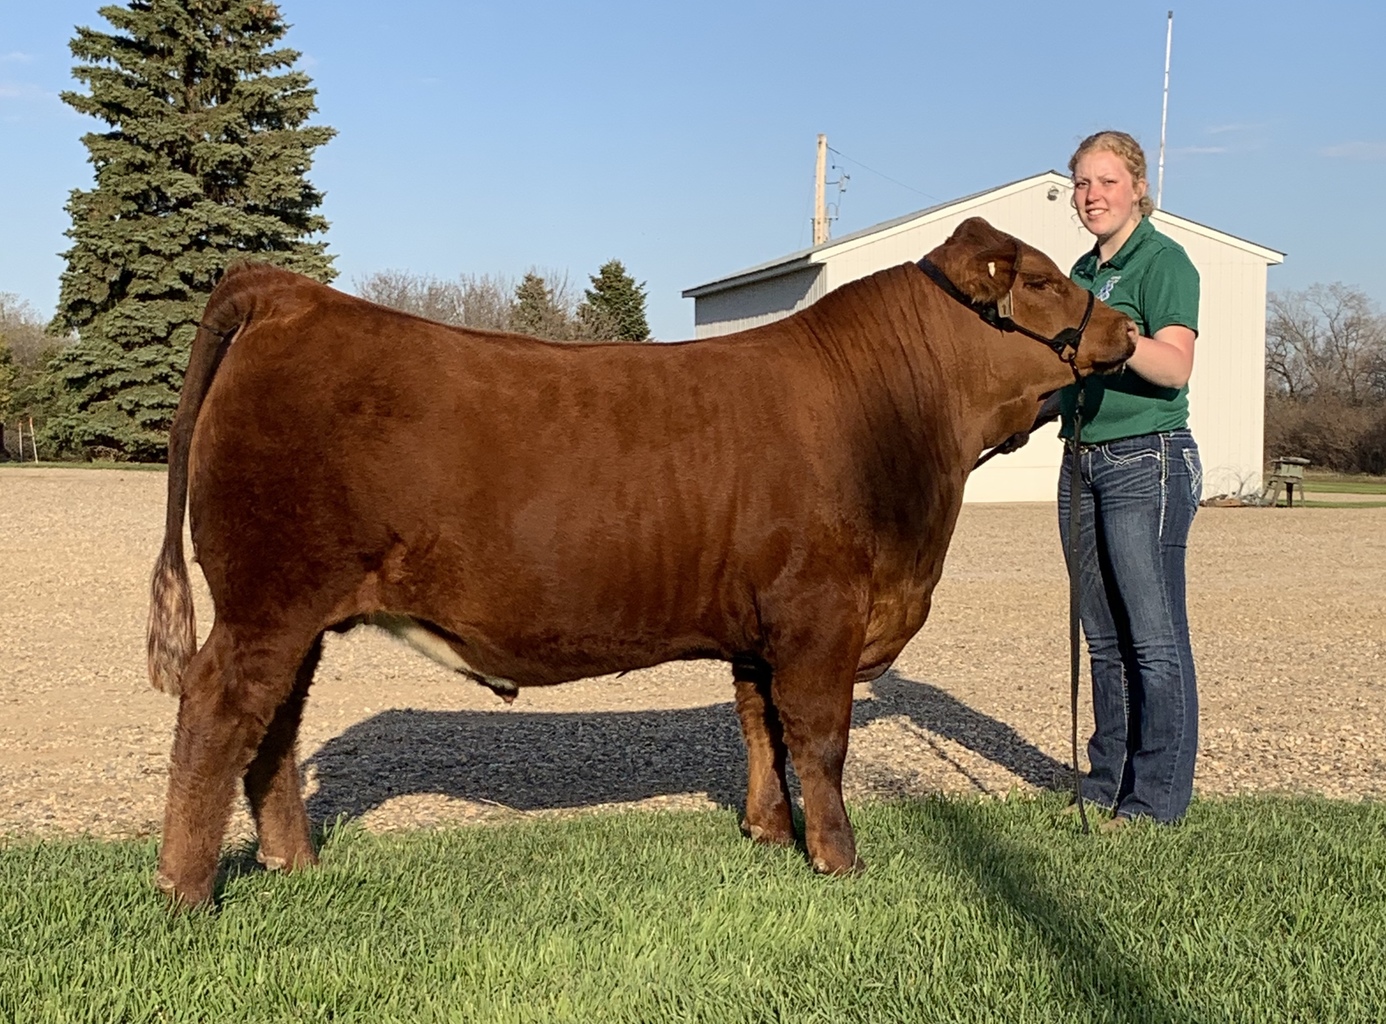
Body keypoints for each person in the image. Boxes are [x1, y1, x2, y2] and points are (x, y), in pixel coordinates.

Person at [1057, 130, 1201, 828]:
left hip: (1148, 458)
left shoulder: (1164, 261)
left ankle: (1156, 799)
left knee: (1153, 637)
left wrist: (1116, 337)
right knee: (1104, 638)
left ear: (1138, 186)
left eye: (1107, 181)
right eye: (1082, 183)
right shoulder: (1079, 274)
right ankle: (1105, 783)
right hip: (1080, 460)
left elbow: (1174, 366)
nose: (1092, 196)